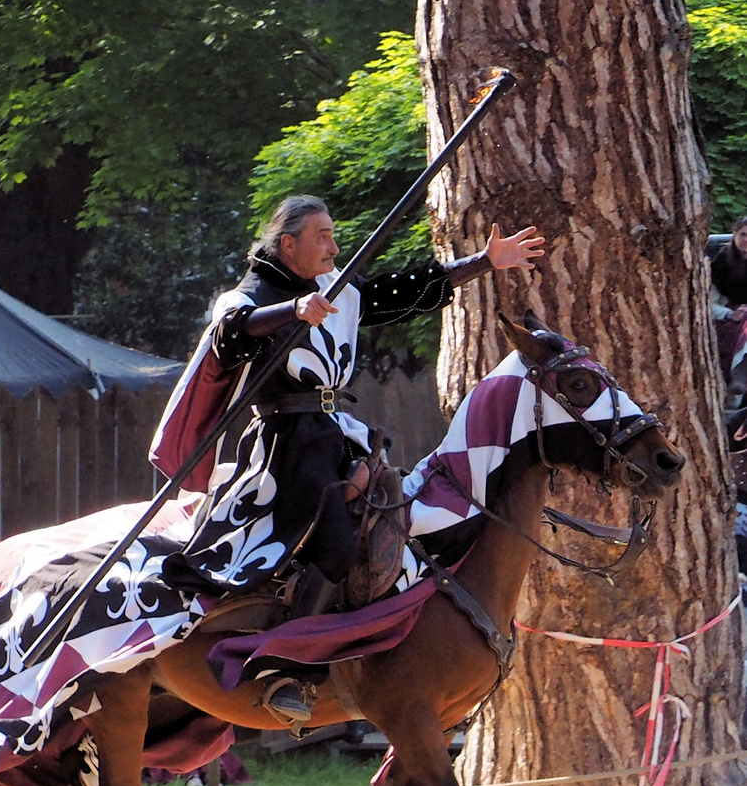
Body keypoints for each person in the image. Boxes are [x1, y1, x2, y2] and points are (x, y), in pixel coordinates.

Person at [150, 195, 544, 723]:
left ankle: (401, 659)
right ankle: (291, 671)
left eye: (334, 235)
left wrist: (483, 263)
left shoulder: (338, 291)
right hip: (286, 448)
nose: (334, 247)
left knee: (402, 520)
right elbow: (233, 332)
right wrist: (291, 311)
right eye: (322, 236)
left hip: (340, 436)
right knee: (333, 538)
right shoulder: (249, 296)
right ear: (288, 244)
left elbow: (398, 292)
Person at [711, 216, 747, 407]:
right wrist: (728, 313)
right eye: (743, 235)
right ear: (734, 234)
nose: (746, 240)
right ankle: (736, 380)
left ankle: (740, 377)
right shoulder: (722, 262)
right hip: (727, 313)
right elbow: (711, 299)